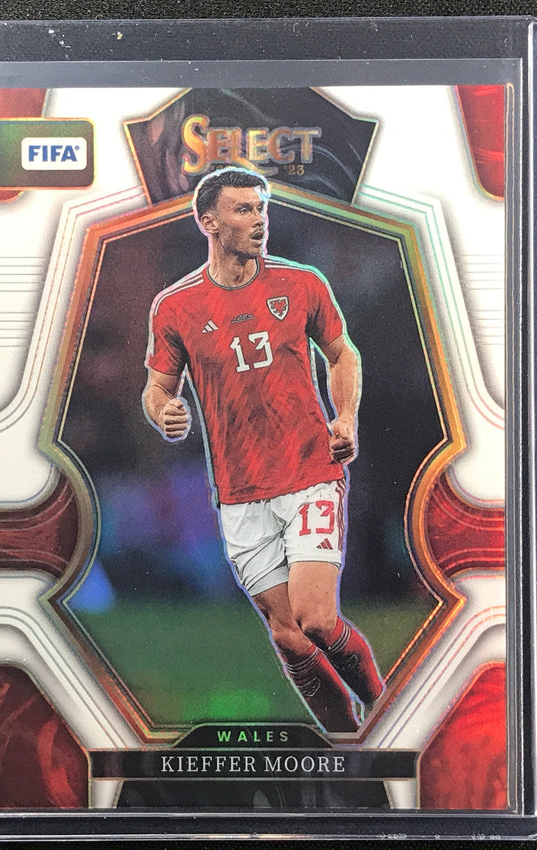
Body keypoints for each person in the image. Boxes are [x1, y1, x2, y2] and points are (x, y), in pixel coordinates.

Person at [142, 166, 383, 732]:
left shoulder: (301, 284)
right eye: (243, 210)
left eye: (261, 208)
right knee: (288, 635)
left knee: (316, 619)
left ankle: (387, 710)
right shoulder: (174, 306)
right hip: (239, 493)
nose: (259, 221)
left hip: (309, 473)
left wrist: (346, 416)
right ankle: (346, 742)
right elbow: (156, 387)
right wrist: (163, 411)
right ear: (209, 222)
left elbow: (342, 353)